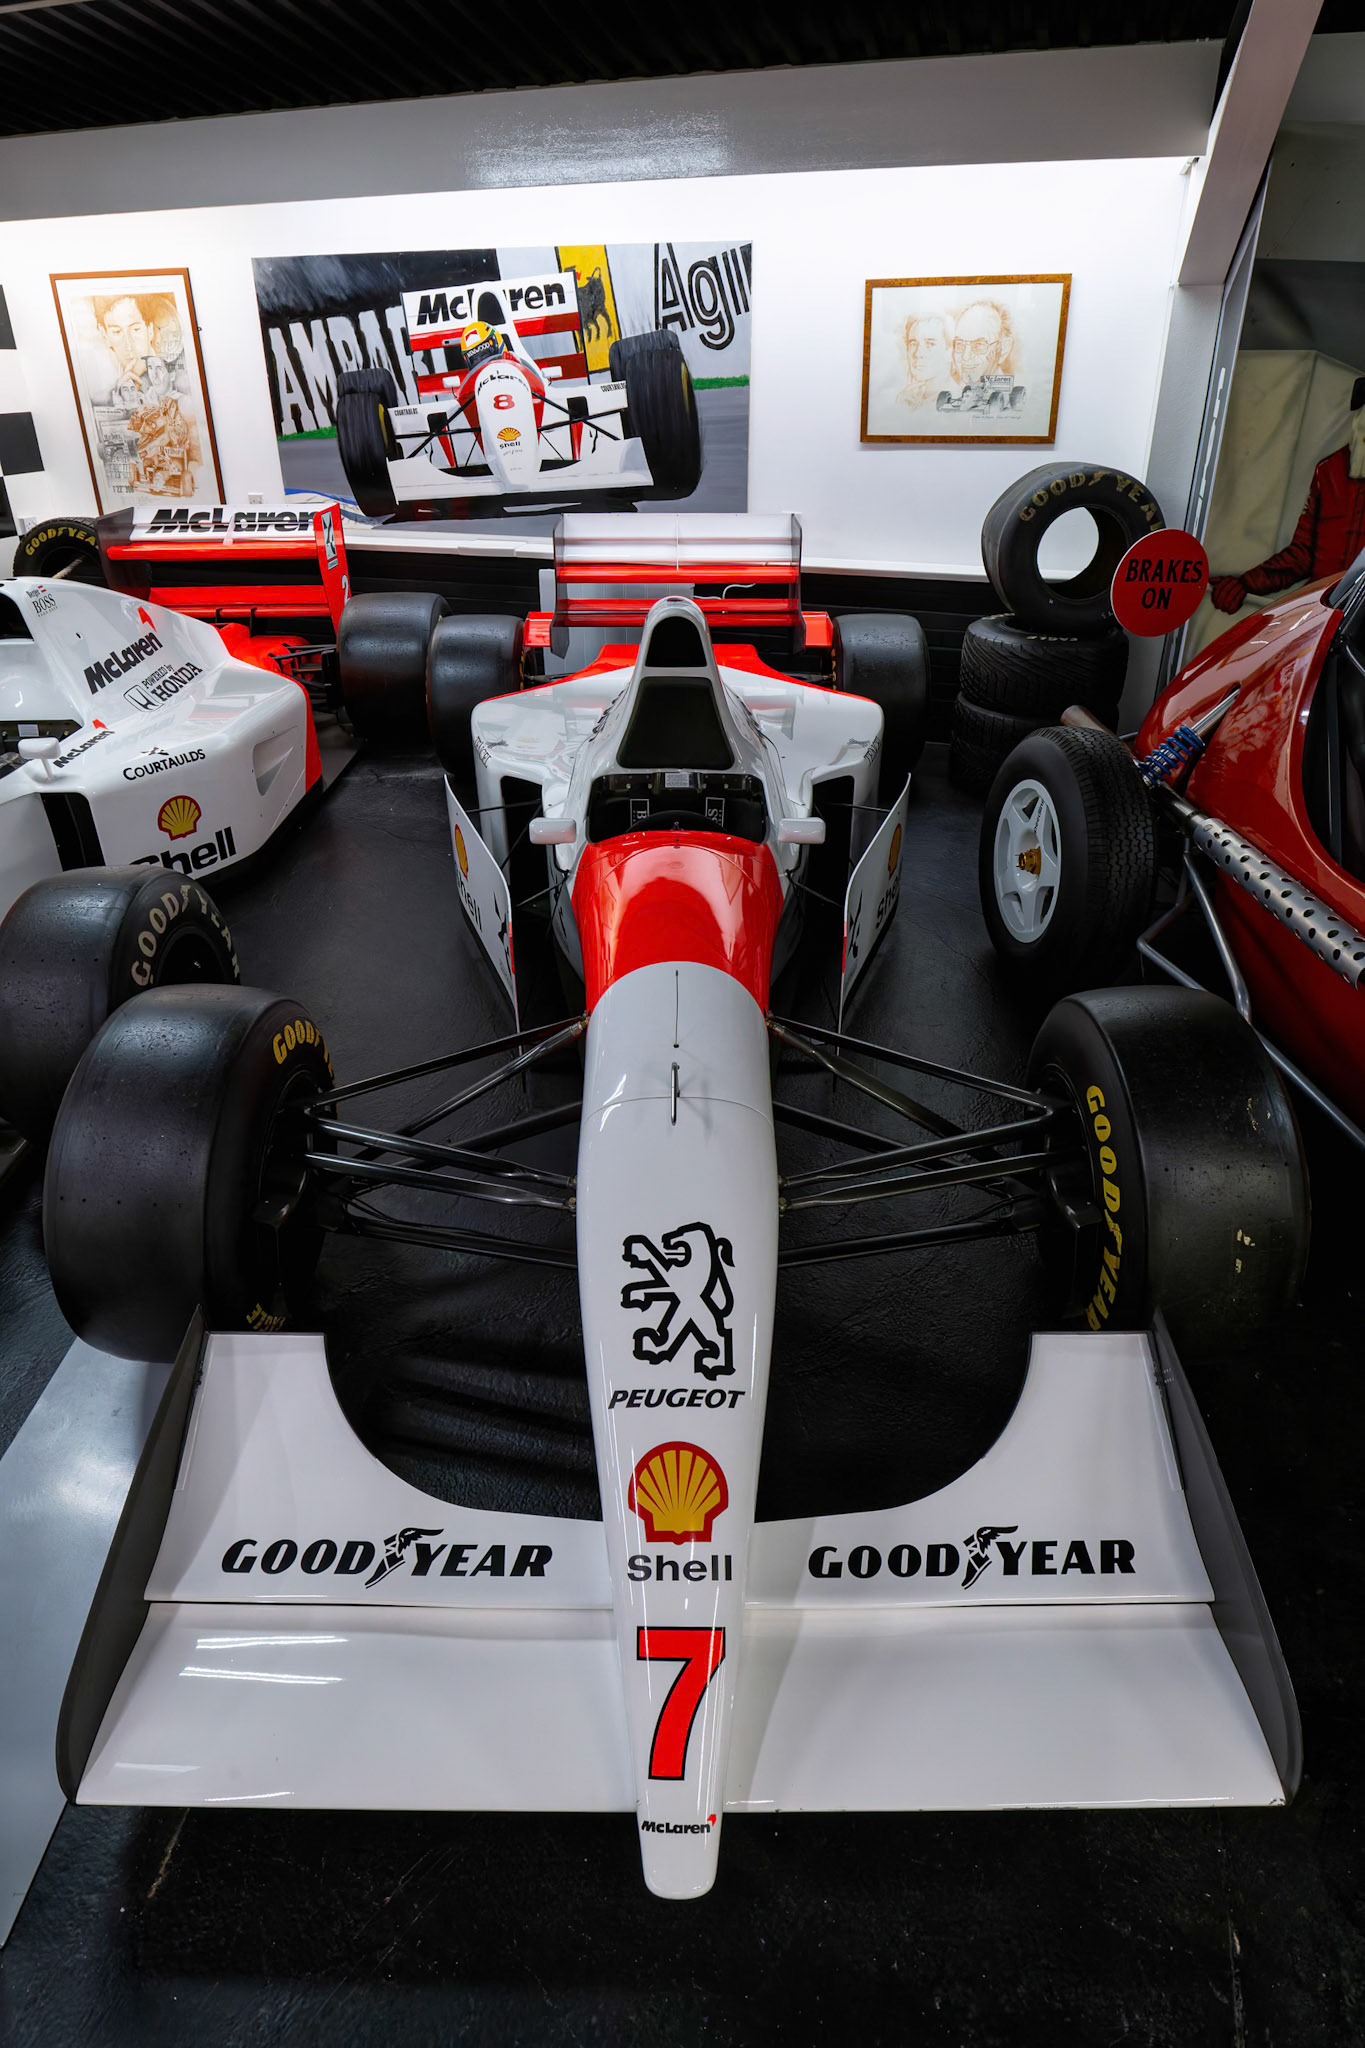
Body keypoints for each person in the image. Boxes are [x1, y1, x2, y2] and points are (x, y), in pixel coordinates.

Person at [1211, 376, 1365, 613]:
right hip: (1319, 612)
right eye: (1361, 417)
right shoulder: (1329, 471)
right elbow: (1302, 554)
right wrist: (1245, 584)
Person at [899, 312, 951, 408]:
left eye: (930, 344)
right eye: (913, 344)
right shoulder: (906, 397)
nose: (918, 353)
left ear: (949, 351)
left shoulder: (954, 396)